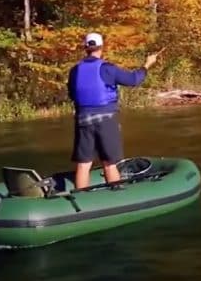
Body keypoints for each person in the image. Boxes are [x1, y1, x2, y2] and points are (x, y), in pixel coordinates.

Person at [67, 32, 159, 189]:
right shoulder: (107, 68)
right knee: (110, 163)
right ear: (101, 47)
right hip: (106, 120)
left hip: (83, 119)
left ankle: (82, 199)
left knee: (83, 165)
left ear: (85, 48)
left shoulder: (75, 70)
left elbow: (72, 93)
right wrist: (147, 65)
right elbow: (133, 80)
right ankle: (116, 194)